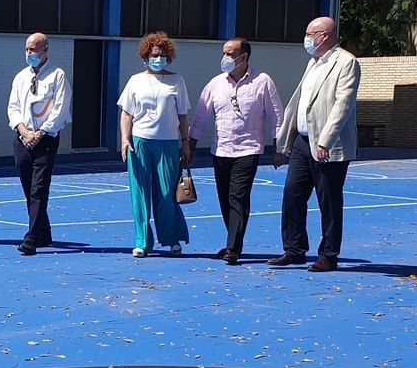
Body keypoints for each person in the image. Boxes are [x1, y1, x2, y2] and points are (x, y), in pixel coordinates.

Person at [273, 16, 360, 273]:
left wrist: (325, 140)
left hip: (328, 144)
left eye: (311, 34)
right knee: (292, 194)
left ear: (325, 36)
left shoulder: (346, 62)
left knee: (329, 200)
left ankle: (329, 255)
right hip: (302, 141)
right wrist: (286, 140)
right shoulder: (313, 63)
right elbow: (302, 104)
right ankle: (294, 249)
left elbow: (342, 106)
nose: (307, 39)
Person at [188, 38, 281, 266]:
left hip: (248, 149)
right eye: (224, 53)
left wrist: (279, 147)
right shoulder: (215, 84)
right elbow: (201, 117)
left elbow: (277, 115)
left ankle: (233, 247)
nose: (225, 58)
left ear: (244, 57)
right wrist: (190, 144)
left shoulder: (263, 81)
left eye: (230, 54)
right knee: (224, 199)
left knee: (237, 197)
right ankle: (233, 239)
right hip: (220, 150)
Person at [117, 31, 192, 258]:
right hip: (140, 142)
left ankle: (172, 238)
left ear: (168, 57)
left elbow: (182, 115)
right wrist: (125, 138)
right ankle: (142, 241)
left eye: (161, 55)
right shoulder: (135, 81)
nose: (157, 59)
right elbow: (126, 113)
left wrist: (185, 141)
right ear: (145, 56)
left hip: (167, 143)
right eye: (153, 55)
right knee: (139, 192)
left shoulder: (177, 81)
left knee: (167, 193)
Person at [6, 32, 69, 256]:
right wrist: (23, 130)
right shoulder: (20, 77)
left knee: (39, 188)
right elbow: (13, 107)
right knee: (28, 187)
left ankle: (31, 237)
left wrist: (40, 133)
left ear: (45, 50)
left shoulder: (57, 76)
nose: (29, 53)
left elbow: (60, 109)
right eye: (27, 49)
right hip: (23, 138)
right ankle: (44, 232)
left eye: (33, 49)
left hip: (46, 139)